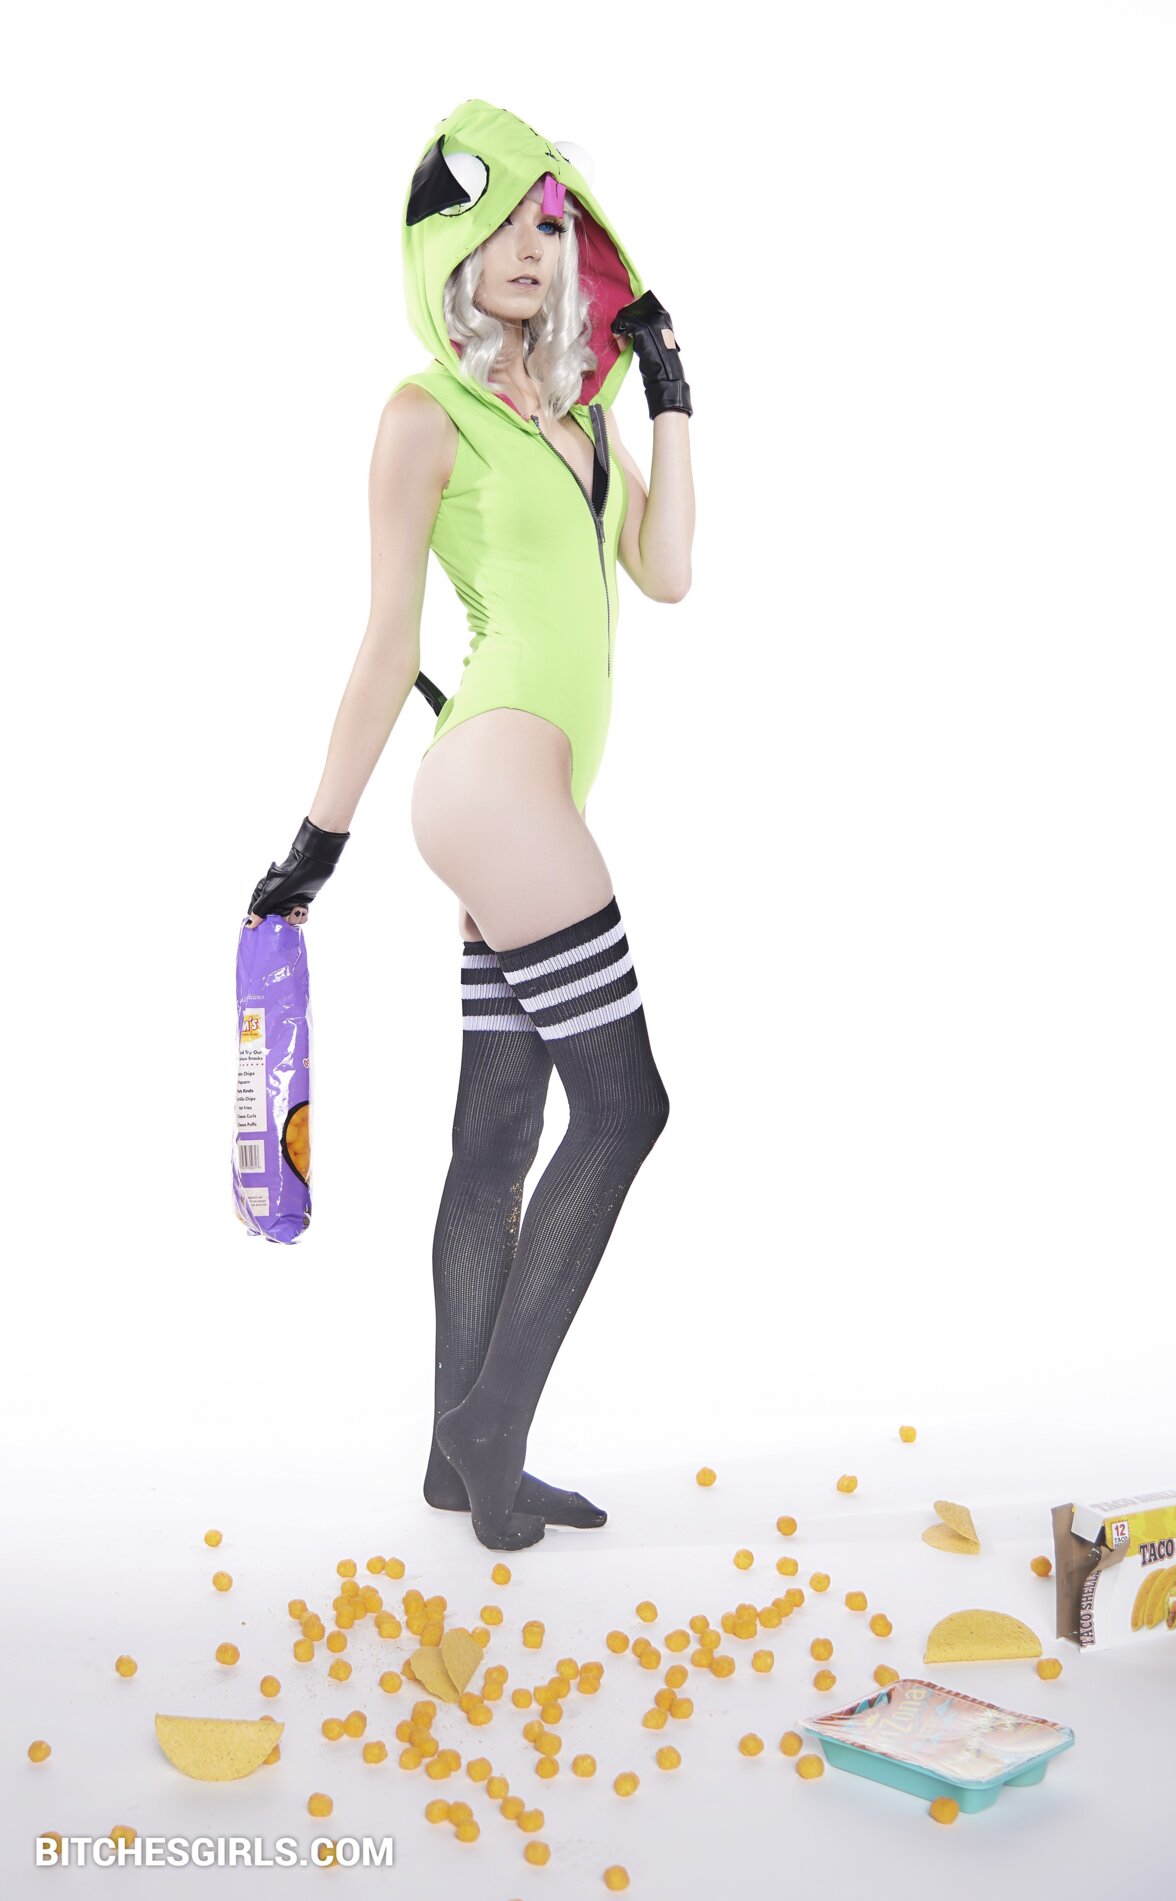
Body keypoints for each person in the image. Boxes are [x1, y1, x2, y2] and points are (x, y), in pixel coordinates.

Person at [244, 99, 694, 1550]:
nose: (525, 250)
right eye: (495, 225)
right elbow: (387, 644)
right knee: (625, 1106)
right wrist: (314, 849)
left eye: (546, 224)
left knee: (500, 1130)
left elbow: (667, 572)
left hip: (528, 794)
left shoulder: (576, 415)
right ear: (442, 251)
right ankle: (494, 1420)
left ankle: (455, 1459)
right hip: (490, 778)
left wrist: (668, 393)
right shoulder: (422, 417)